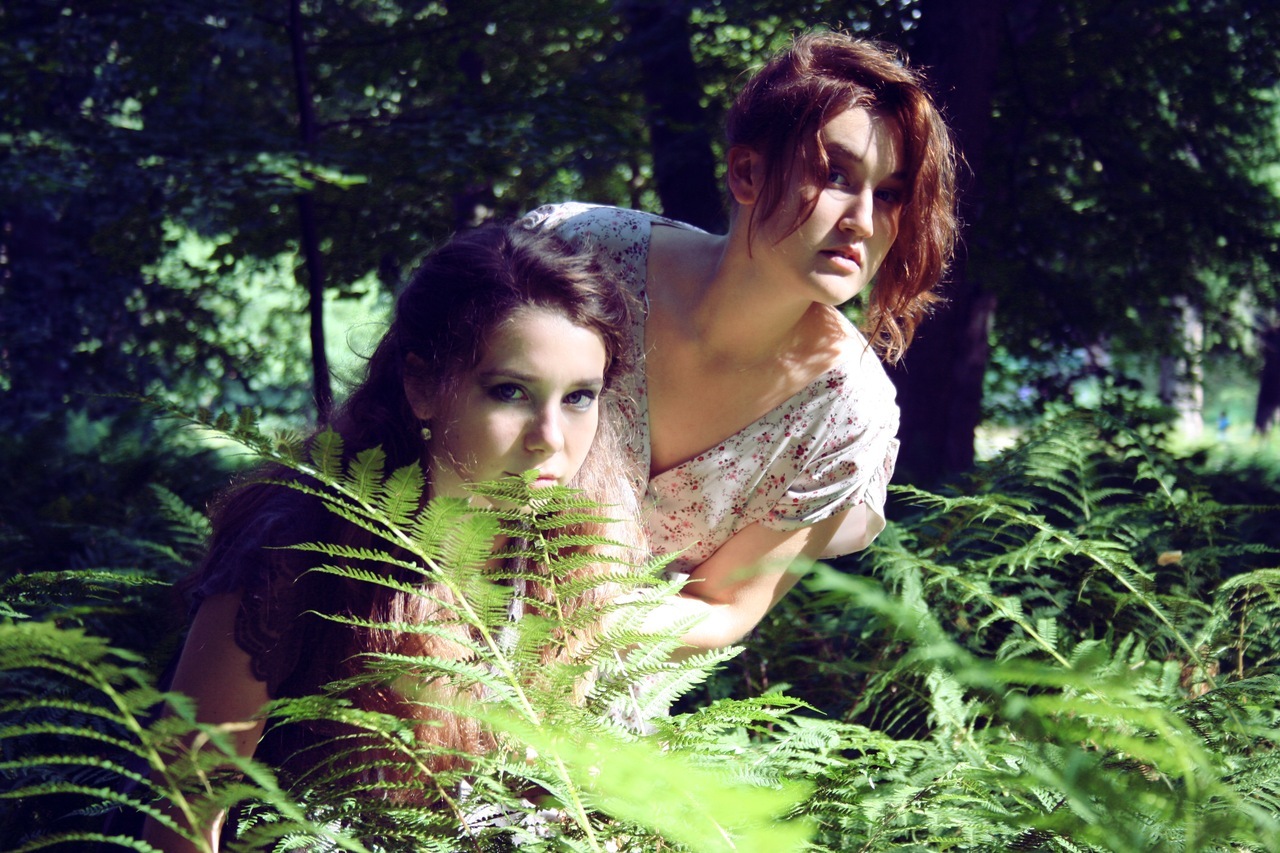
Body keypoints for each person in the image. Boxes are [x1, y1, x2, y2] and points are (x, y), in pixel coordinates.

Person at [139, 224, 643, 852]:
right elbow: (185, 820)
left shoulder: (576, 550)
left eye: (578, 398)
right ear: (422, 386)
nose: (550, 438)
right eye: (510, 392)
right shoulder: (297, 547)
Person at [520, 30, 958, 656]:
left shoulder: (845, 414)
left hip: (594, 684)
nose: (863, 220)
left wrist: (563, 633)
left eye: (888, 194)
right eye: (836, 175)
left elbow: (722, 608)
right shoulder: (582, 253)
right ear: (748, 173)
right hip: (417, 608)